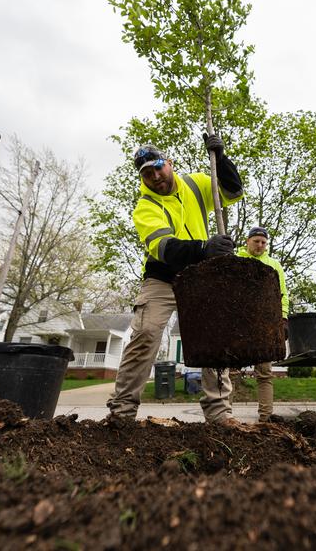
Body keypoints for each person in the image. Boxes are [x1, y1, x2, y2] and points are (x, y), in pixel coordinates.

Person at [107, 134, 243, 423]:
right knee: (145, 334)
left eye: (158, 167)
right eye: (147, 173)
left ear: (169, 163)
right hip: (162, 278)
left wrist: (222, 159)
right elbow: (164, 248)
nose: (156, 176)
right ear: (142, 177)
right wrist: (204, 248)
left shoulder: (194, 184)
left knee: (214, 340)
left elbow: (232, 193)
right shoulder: (145, 207)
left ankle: (219, 414)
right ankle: (122, 412)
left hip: (201, 278)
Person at [235, 226, 288, 422]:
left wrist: (283, 319)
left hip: (264, 325)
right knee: (230, 371)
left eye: (264, 242)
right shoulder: (236, 261)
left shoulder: (274, 265)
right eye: (256, 241)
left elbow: (283, 294)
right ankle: (224, 418)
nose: (260, 245)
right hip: (238, 325)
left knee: (265, 373)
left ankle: (265, 419)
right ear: (247, 241)